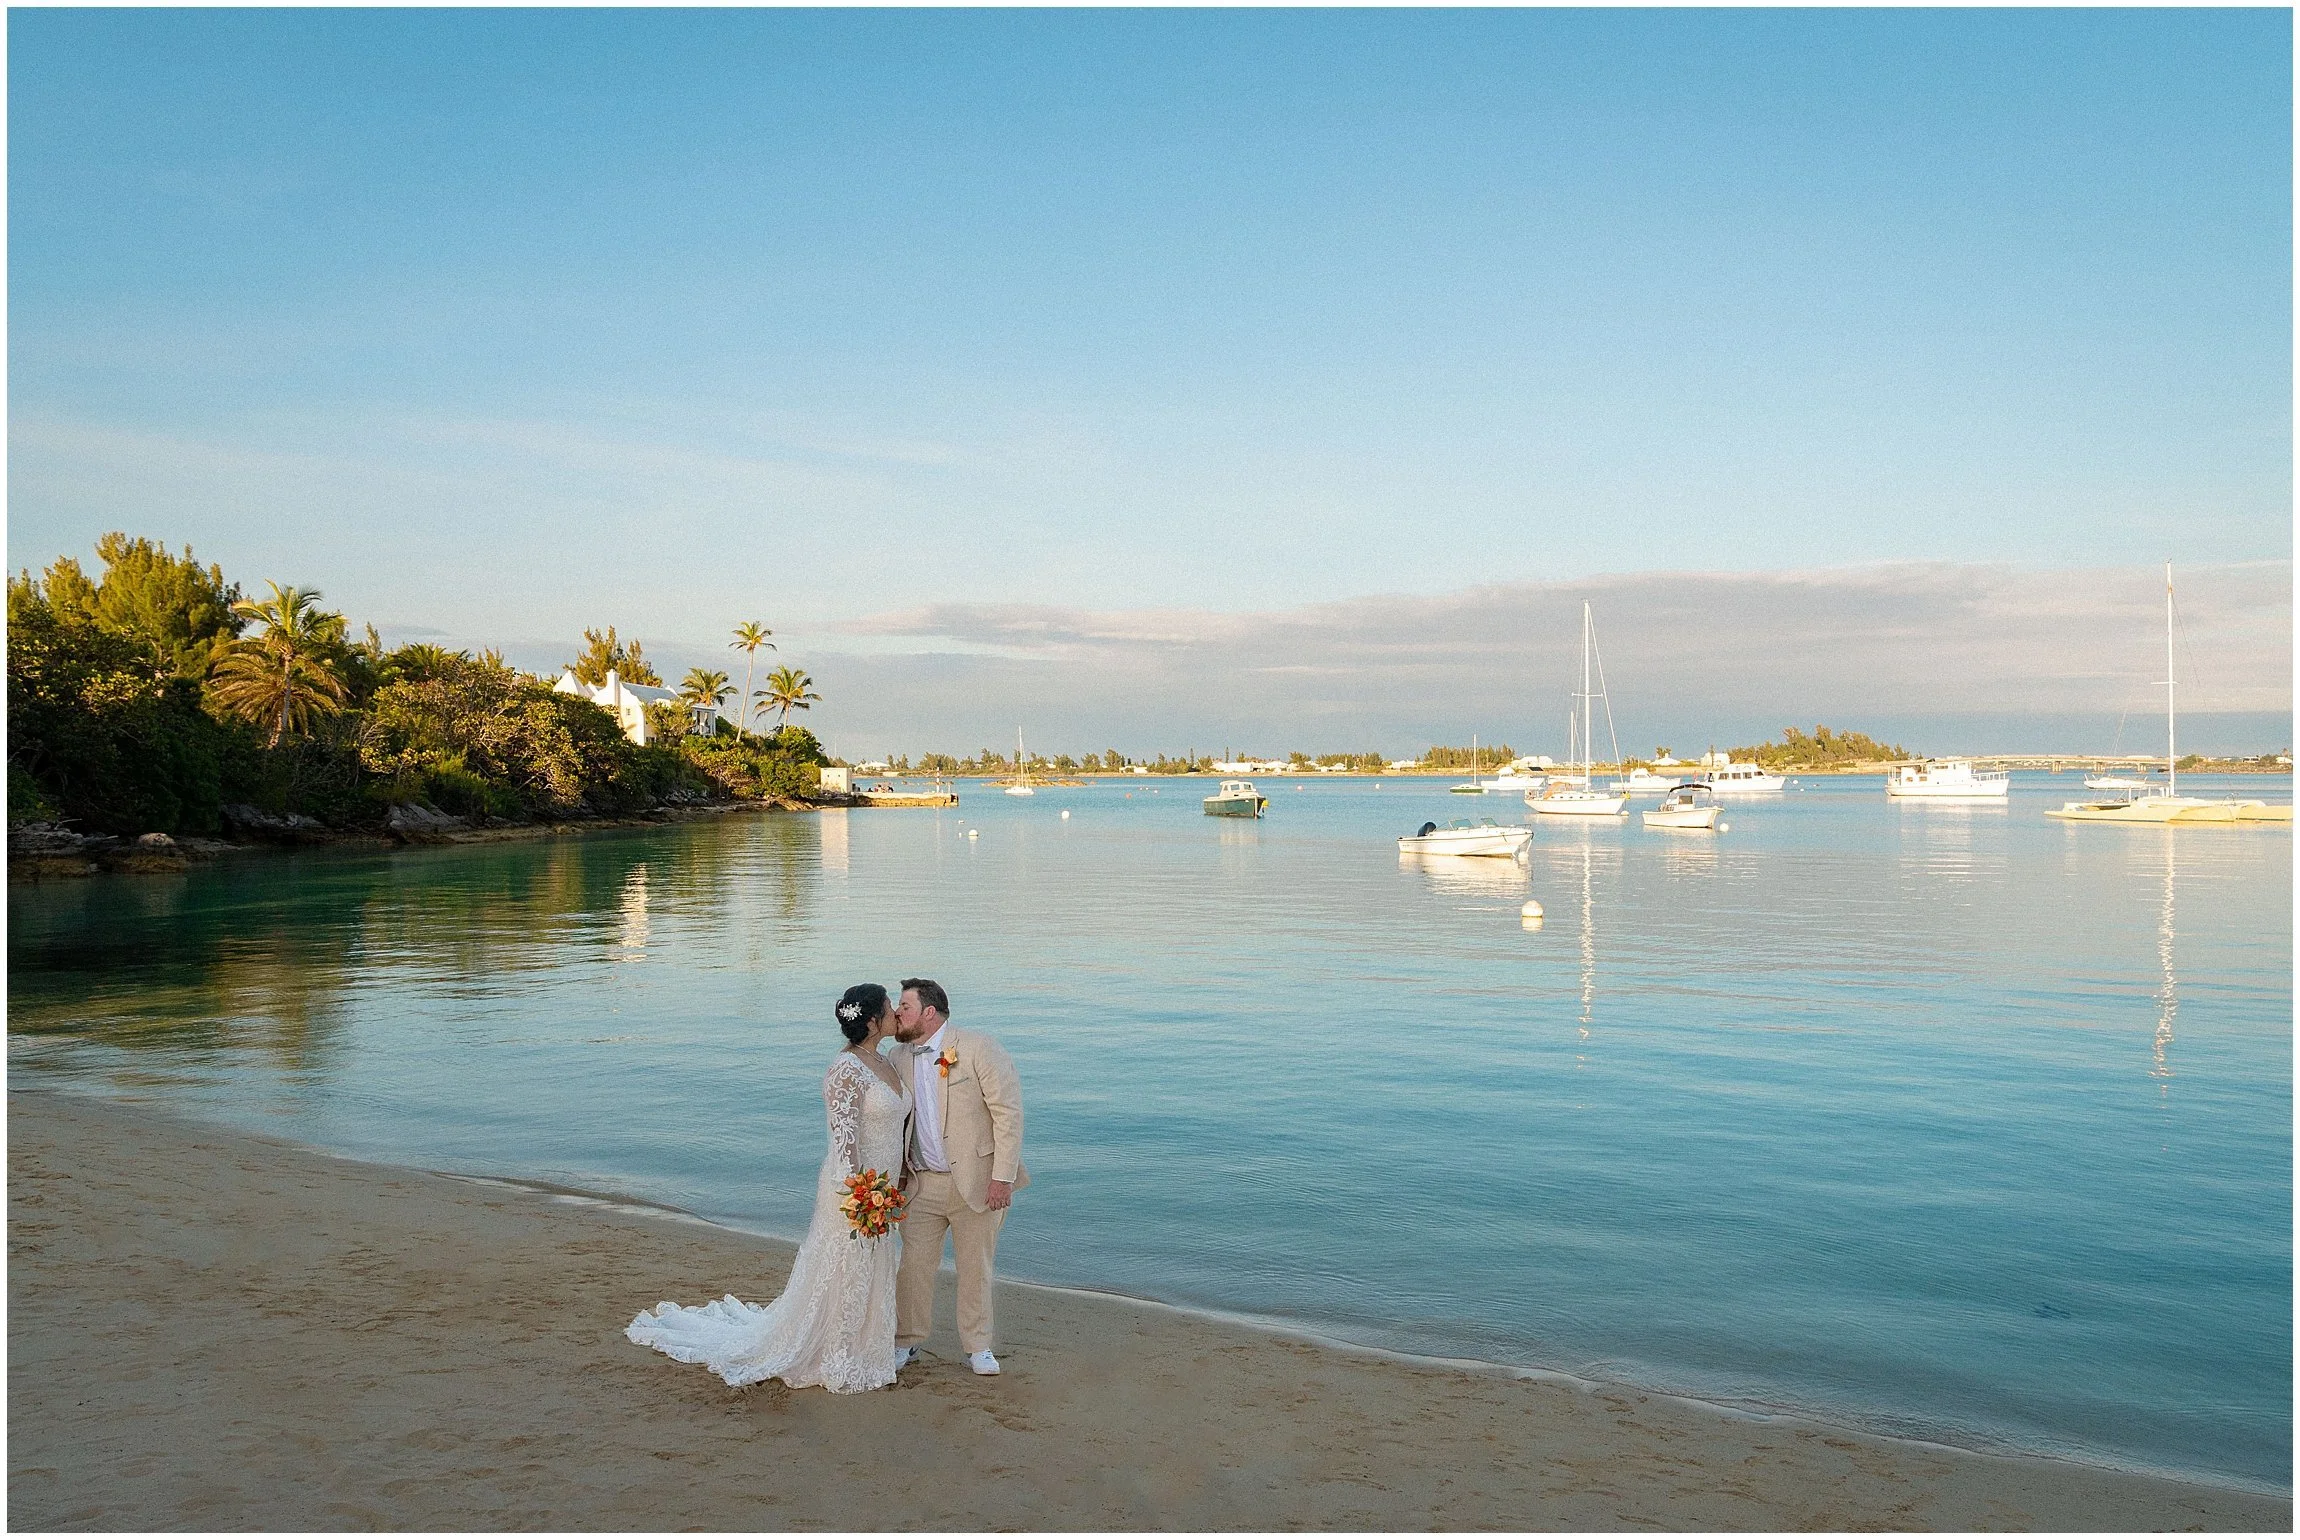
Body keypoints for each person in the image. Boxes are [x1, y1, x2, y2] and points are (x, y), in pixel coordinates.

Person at [625, 983, 911, 1393]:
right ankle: (840, 1356)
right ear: (871, 1021)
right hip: (855, 1193)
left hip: (883, 1190)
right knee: (847, 1269)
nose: (894, 1013)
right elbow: (843, 1140)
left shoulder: (884, 1061)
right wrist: (859, 1197)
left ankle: (869, 1350)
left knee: (874, 1268)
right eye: (888, 1008)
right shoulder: (844, 1070)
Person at [890, 978, 1027, 1376]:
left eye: (905, 1006)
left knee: (975, 1267)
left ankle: (978, 1346)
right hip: (922, 1183)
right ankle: (907, 1341)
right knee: (913, 1267)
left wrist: (1002, 1178)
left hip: (979, 1181)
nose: (898, 1014)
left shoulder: (978, 1048)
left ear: (929, 1012)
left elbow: (1008, 1114)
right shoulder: (898, 1056)